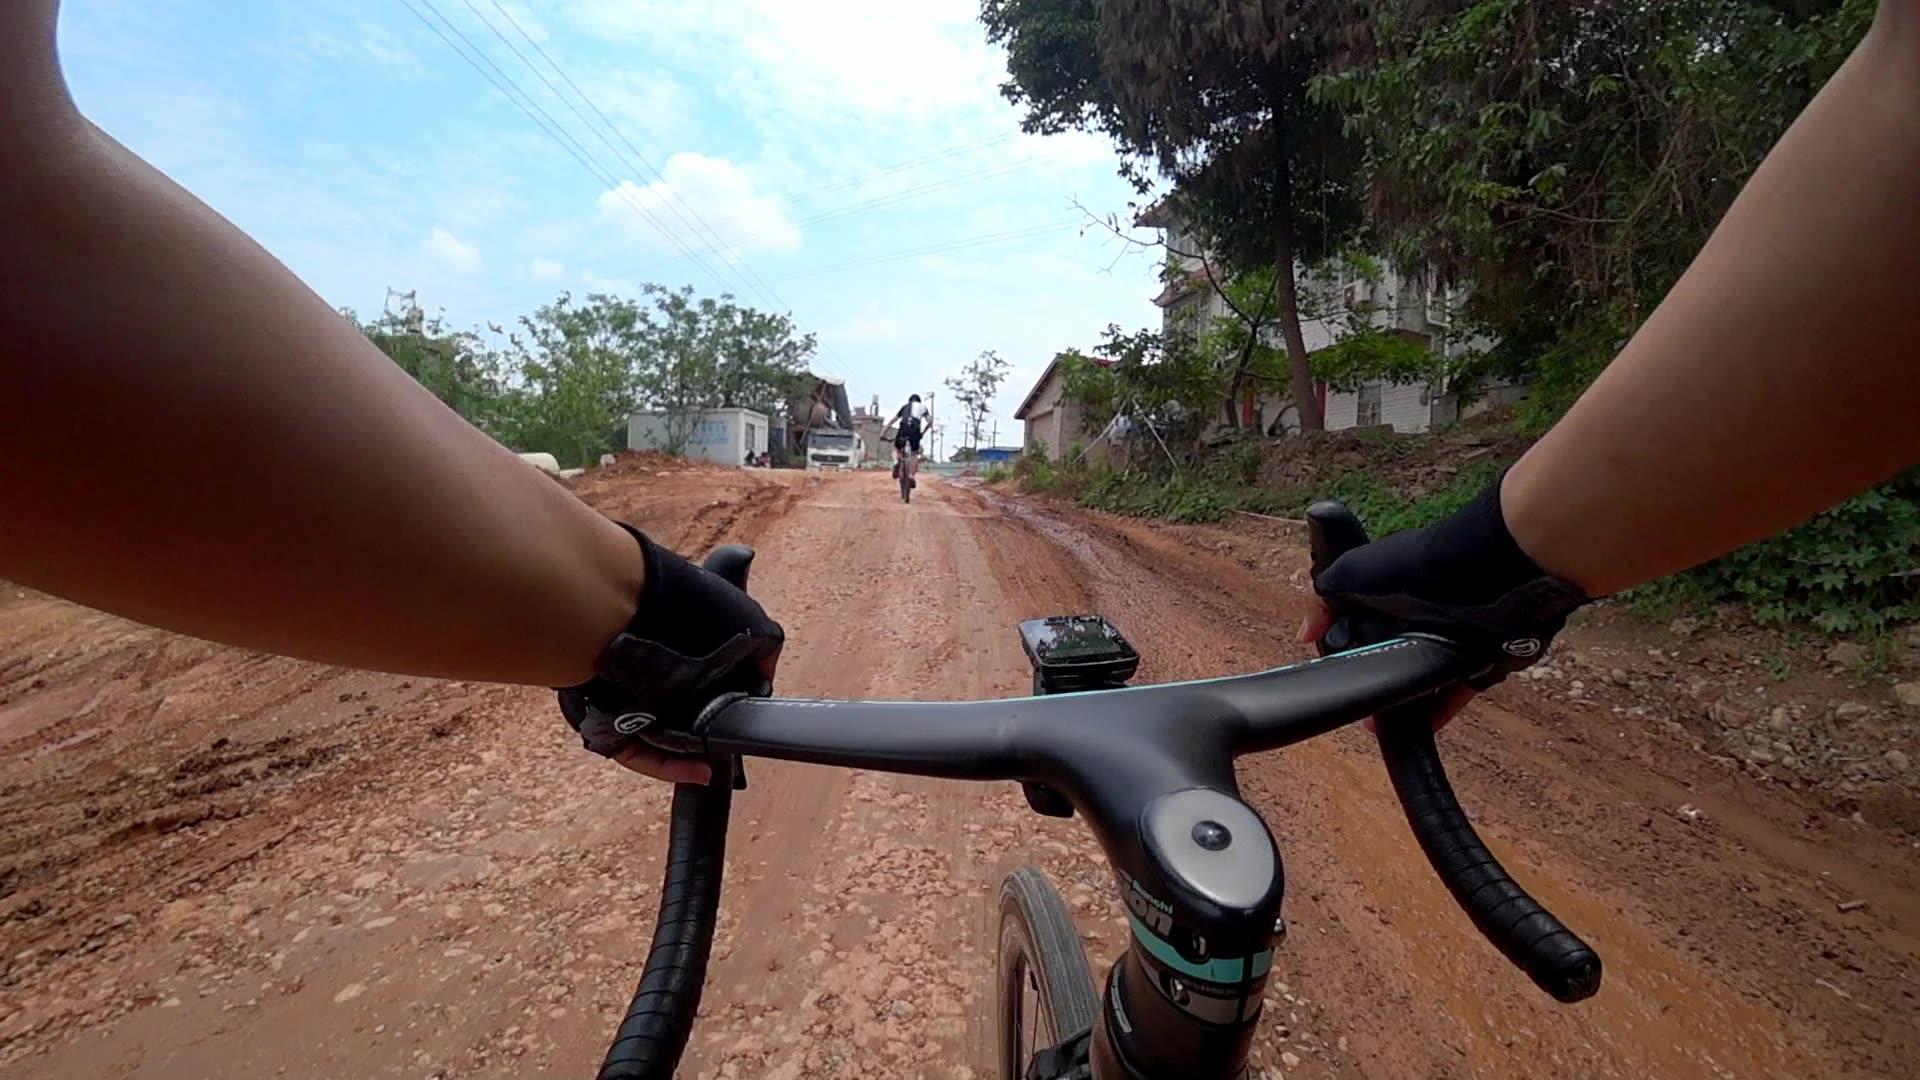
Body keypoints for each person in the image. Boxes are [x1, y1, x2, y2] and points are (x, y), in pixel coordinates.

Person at [3, 0, 1917, 783]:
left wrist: (624, 615)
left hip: (830, 511)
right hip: (925, 463)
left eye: (896, 423)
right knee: (917, 470)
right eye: (896, 424)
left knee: (925, 467)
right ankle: (912, 495)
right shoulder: (905, 415)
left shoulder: (928, 407)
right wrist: (1515, 554)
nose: (894, 427)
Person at [883, 394, 931, 488]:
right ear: (919, 401)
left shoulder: (905, 407)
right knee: (914, 453)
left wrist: (883, 433)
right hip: (915, 430)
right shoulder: (923, 407)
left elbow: (893, 420)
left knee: (897, 449)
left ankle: (896, 462)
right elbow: (930, 422)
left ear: (909, 401)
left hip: (903, 429)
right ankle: (911, 476)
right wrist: (923, 432)